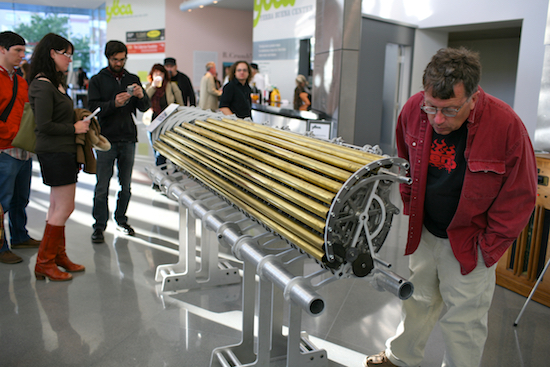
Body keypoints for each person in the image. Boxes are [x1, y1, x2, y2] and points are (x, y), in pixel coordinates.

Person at [364, 47, 537, 367]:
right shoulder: (414, 109)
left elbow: (520, 196)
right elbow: (404, 164)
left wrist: (489, 248)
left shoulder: (506, 125)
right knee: (417, 300)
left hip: (472, 240)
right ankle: (400, 358)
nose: (438, 119)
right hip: (427, 231)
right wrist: (411, 210)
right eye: (433, 107)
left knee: (464, 321)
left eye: (451, 109)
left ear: (473, 97)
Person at [28, 33, 90, 281]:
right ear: (52, 53)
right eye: (66, 54)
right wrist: (73, 129)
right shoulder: (42, 85)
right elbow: (43, 125)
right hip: (55, 150)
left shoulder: (54, 82)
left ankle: (57, 256)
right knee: (64, 207)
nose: (69, 60)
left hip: (61, 149)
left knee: (56, 207)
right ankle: (44, 262)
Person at [88, 40, 151, 244]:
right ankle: (99, 226)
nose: (119, 63)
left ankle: (121, 220)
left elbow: (143, 107)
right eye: (115, 59)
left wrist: (142, 96)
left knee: (126, 185)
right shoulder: (97, 79)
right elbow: (92, 109)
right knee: (102, 186)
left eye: (123, 59)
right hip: (105, 139)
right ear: (108, 58)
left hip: (128, 138)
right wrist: (113, 104)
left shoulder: (132, 78)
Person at [0, 31, 41, 265]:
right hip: (4, 150)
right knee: (2, 202)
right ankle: (1, 247)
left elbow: (28, 112)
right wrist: (13, 135)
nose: (22, 56)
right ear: (2, 49)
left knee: (20, 198)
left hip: (23, 150)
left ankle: (19, 235)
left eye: (24, 51)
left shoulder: (20, 80)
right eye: (17, 50)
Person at [145, 63, 183, 166]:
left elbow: (180, 103)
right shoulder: (148, 86)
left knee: (162, 151)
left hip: (168, 122)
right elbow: (144, 101)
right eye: (156, 73)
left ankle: (160, 175)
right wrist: (153, 86)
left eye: (161, 73)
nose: (158, 76)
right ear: (152, 75)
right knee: (155, 149)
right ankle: (160, 175)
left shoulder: (171, 86)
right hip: (152, 122)